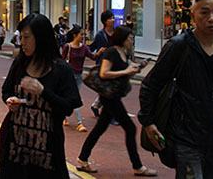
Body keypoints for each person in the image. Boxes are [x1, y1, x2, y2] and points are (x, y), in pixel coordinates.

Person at [139, 0, 213, 179]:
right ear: (193, 16)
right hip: (186, 140)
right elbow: (151, 85)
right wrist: (148, 122)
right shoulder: (178, 46)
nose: (212, 18)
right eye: (204, 13)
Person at [0, 13, 82, 179]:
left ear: (41, 38)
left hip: (47, 156)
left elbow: (69, 106)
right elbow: (6, 91)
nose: (22, 43)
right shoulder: (20, 64)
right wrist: (10, 101)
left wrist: (43, 92)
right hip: (16, 152)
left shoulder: (61, 70)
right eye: (21, 37)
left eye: (27, 37)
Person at [77, 25, 157, 176]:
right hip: (109, 97)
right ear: (122, 39)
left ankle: (83, 158)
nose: (132, 41)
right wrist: (126, 70)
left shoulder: (122, 53)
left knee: (99, 129)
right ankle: (138, 166)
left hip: (114, 95)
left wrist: (136, 69)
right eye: (130, 38)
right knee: (130, 128)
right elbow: (104, 73)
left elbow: (122, 75)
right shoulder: (112, 51)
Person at [62, 24, 105, 132]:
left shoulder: (84, 47)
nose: (83, 36)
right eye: (81, 34)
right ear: (74, 35)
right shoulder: (68, 46)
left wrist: (99, 53)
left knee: (70, 97)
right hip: (69, 76)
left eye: (84, 34)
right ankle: (79, 123)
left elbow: (92, 57)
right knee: (75, 98)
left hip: (79, 76)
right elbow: (62, 61)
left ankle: (64, 116)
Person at [88, 10, 115, 118]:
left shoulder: (116, 33)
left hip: (114, 64)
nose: (113, 20)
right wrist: (98, 53)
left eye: (113, 18)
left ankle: (96, 105)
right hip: (103, 65)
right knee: (109, 89)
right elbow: (91, 48)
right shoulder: (100, 35)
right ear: (105, 21)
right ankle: (110, 114)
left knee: (108, 89)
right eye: (110, 18)